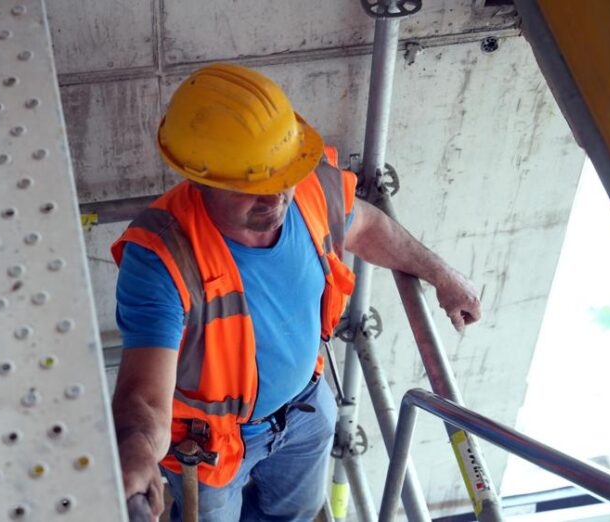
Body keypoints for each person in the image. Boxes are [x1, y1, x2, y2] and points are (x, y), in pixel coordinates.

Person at [110, 63, 481, 521]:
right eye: (252, 186)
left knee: (298, 515)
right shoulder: (161, 256)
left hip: (306, 410)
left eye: (281, 179)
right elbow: (144, 396)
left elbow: (364, 226)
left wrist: (440, 273)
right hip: (211, 446)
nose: (276, 199)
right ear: (203, 178)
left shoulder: (309, 188)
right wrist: (138, 450)